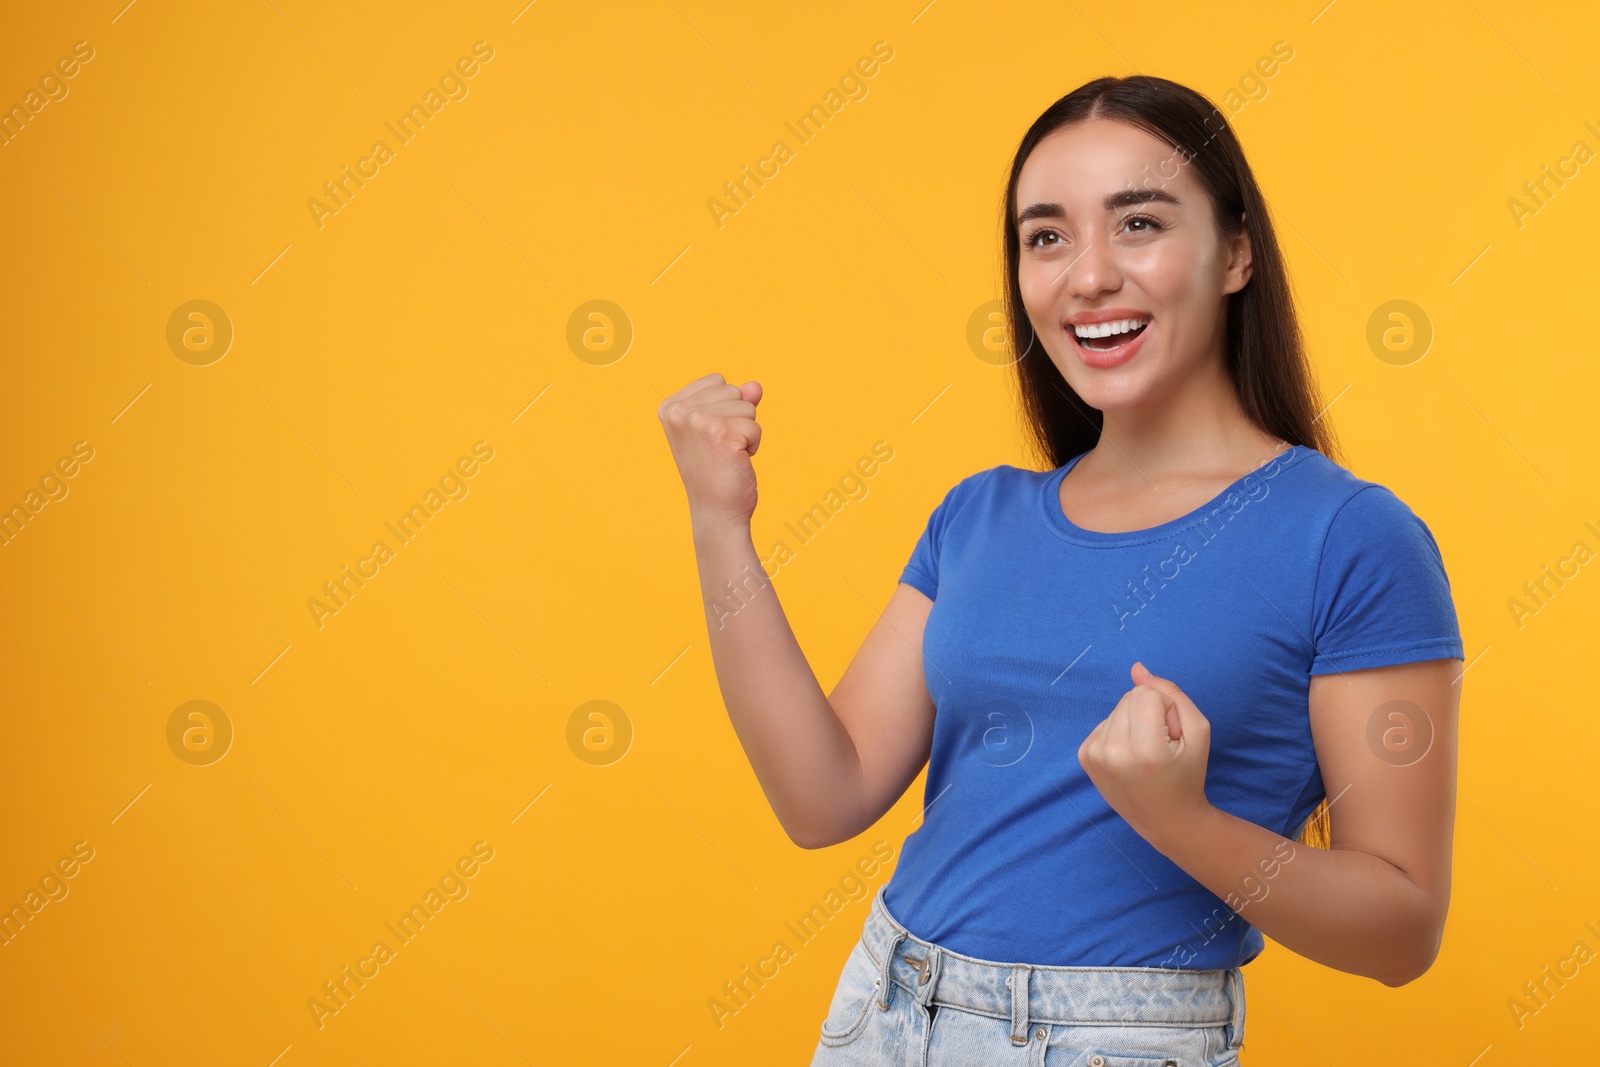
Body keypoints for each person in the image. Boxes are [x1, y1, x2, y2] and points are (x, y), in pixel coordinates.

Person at [657, 74, 1464, 1066]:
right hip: (887, 1009)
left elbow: (1400, 928)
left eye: (1138, 223)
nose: (1086, 276)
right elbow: (821, 796)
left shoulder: (1349, 538)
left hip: (1111, 1038)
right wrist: (719, 526)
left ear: (1236, 253)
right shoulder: (980, 515)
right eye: (1045, 235)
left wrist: (1184, 821)